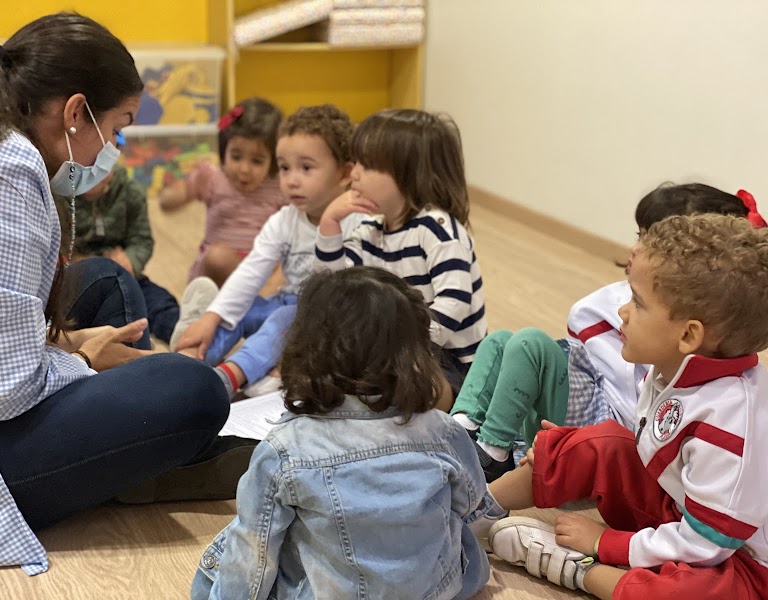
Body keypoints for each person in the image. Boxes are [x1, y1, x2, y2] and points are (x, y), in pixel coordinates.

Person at [0, 13, 255, 575]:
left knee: (102, 278)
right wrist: (82, 360)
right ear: (76, 112)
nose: (117, 145)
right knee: (194, 389)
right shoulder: (9, 167)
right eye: (117, 126)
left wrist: (71, 342)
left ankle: (131, 458)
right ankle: (141, 459)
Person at [488, 214, 768, 599]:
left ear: (689, 335)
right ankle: (476, 505)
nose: (621, 311)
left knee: (687, 593)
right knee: (601, 442)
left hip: (741, 559)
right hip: (684, 514)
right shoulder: (678, 367)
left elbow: (707, 545)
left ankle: (582, 571)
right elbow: (645, 444)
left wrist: (607, 544)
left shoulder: (731, 424)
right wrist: (575, 446)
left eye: (637, 302)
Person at [190, 266, 496, 600]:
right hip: (435, 590)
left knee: (236, 543)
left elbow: (253, 557)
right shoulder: (443, 430)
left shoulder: (285, 450)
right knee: (463, 544)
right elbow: (472, 504)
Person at [450, 183, 761, 482]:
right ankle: (458, 429)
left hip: (606, 430)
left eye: (650, 239)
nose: (636, 249)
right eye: (640, 235)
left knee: (529, 346)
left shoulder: (703, 385)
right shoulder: (618, 314)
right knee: (501, 341)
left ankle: (493, 454)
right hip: (593, 403)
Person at [173, 104, 363, 398]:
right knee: (237, 311)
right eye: (285, 167)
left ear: (344, 173)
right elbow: (250, 272)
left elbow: (343, 298)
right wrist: (211, 317)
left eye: (306, 168)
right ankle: (187, 362)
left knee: (282, 318)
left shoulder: (358, 222)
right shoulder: (285, 219)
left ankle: (229, 377)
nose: (291, 179)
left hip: (328, 319)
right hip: (286, 300)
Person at [314, 109, 487, 409]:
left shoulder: (438, 230)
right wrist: (329, 224)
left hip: (450, 362)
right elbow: (332, 293)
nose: (353, 173)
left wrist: (407, 349)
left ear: (409, 175)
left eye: (367, 165)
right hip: (392, 350)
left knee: (418, 387)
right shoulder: (369, 231)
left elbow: (454, 300)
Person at [159, 97, 285, 287]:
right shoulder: (213, 178)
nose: (244, 169)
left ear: (273, 161)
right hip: (217, 275)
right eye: (236, 156)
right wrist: (177, 192)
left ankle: (254, 303)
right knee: (217, 257)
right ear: (224, 149)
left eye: (257, 161)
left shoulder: (277, 185)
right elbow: (168, 201)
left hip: (262, 268)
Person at [59, 162, 180, 344]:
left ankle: (183, 332)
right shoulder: (59, 196)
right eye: (85, 167)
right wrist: (83, 263)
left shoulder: (131, 192)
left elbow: (141, 240)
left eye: (100, 165)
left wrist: (130, 260)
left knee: (159, 302)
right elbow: (55, 246)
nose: (93, 174)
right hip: (76, 282)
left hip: (125, 275)